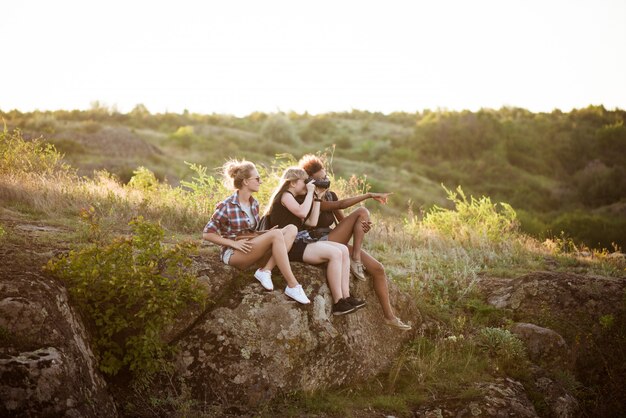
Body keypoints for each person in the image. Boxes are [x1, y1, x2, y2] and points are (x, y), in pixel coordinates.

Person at [299, 154, 412, 330]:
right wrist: (368, 195)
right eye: (320, 179)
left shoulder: (330, 195)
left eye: (326, 177)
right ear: (310, 181)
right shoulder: (310, 197)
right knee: (361, 210)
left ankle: (390, 317)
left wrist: (361, 227)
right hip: (317, 242)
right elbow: (341, 205)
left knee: (378, 269)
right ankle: (356, 259)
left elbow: (344, 222)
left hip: (334, 240)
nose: (325, 182)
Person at [202, 160, 310, 304]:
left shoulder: (254, 204)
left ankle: (265, 271)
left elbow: (250, 231)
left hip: (250, 246)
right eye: (257, 179)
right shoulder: (226, 206)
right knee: (277, 234)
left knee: (291, 228)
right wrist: (233, 244)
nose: (261, 181)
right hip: (234, 253)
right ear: (246, 181)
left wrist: (264, 233)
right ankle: (293, 285)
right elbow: (207, 234)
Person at [264, 167, 365, 316]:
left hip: (300, 240)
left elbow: (311, 222)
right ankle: (338, 302)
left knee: (342, 250)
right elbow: (302, 212)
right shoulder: (285, 195)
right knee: (334, 253)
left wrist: (317, 197)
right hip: (288, 245)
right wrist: (311, 192)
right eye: (304, 182)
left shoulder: (297, 198)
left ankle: (346, 297)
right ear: (292, 183)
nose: (307, 185)